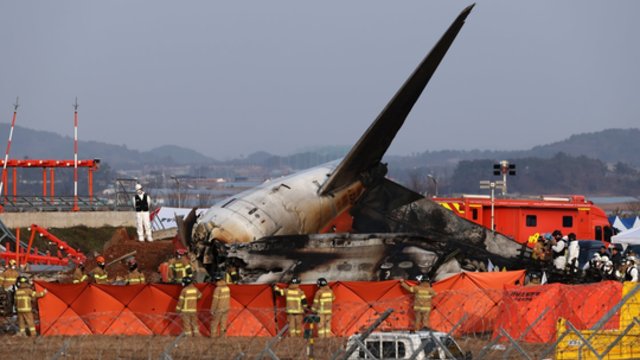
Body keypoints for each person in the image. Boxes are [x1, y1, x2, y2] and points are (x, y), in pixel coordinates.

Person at [210, 273, 231, 337]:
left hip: (219, 309)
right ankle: (223, 337)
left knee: (214, 323)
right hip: (226, 308)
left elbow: (215, 301)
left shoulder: (217, 289)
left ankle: (213, 337)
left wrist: (212, 310)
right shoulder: (227, 288)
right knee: (223, 324)